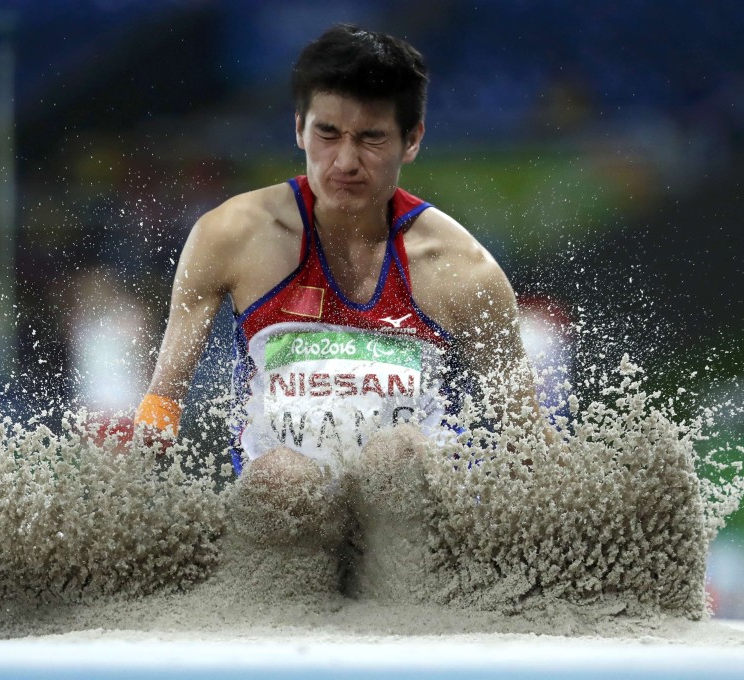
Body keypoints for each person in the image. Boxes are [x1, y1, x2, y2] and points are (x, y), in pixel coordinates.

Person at [123, 26, 546, 596]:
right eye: (327, 133)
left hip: (412, 514)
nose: (345, 161)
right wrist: (119, 505)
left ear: (412, 139)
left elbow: (529, 440)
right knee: (283, 478)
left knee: (398, 458)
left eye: (371, 139)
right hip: (281, 506)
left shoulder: (458, 266)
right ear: (298, 127)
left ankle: (408, 602)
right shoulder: (233, 235)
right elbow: (163, 400)